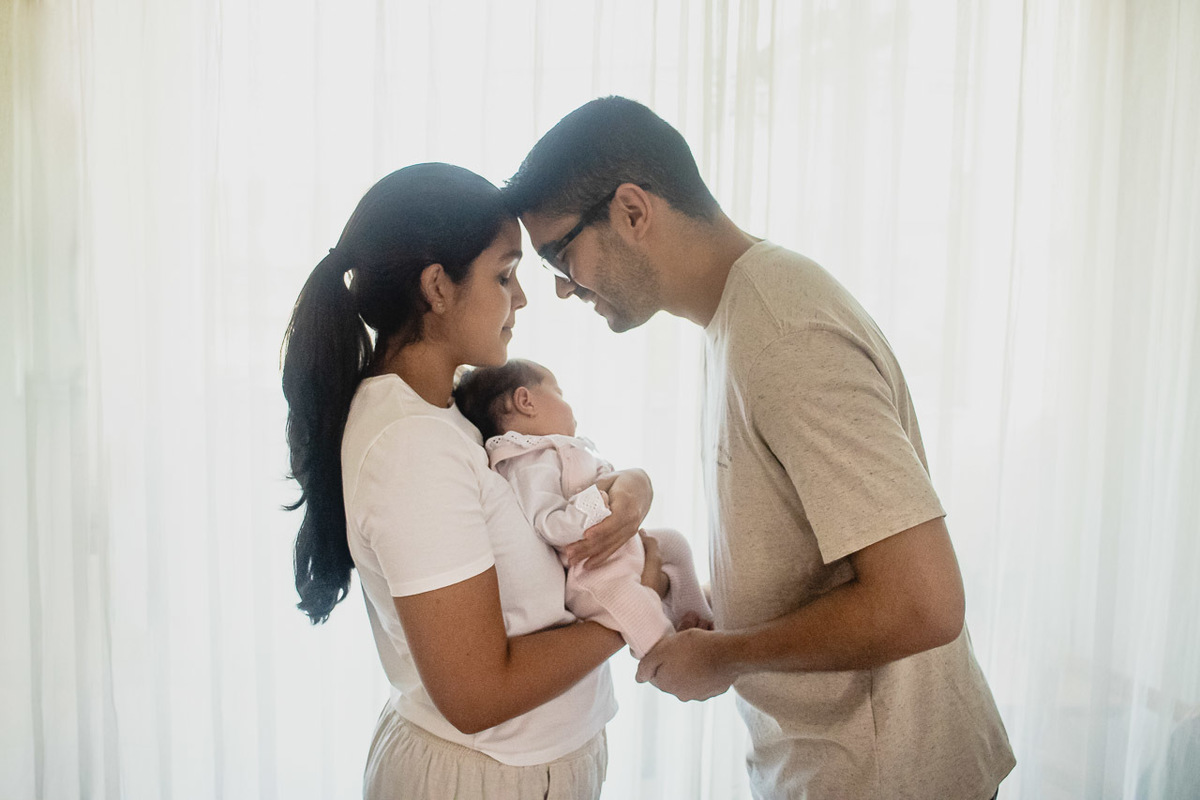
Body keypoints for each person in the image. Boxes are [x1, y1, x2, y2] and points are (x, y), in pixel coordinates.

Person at [503, 97, 1017, 800]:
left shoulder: (784, 333)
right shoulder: (742, 318)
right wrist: (717, 609)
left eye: (559, 254)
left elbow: (924, 602)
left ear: (631, 210)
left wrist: (727, 655)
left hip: (887, 778)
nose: (562, 288)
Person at [280, 162, 663, 800]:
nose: (521, 299)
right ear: (437, 287)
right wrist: (632, 606)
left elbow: (535, 488)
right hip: (481, 780)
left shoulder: (445, 414)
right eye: (505, 275)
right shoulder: (411, 447)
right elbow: (476, 693)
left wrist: (632, 484)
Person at [453, 358, 713, 659]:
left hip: (618, 549)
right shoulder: (527, 463)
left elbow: (602, 480)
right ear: (526, 401)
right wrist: (597, 500)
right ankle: (668, 656)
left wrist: (614, 483)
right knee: (635, 606)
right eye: (558, 392)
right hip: (592, 570)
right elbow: (550, 523)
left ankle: (698, 617)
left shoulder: (558, 451)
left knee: (674, 542)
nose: (568, 405)